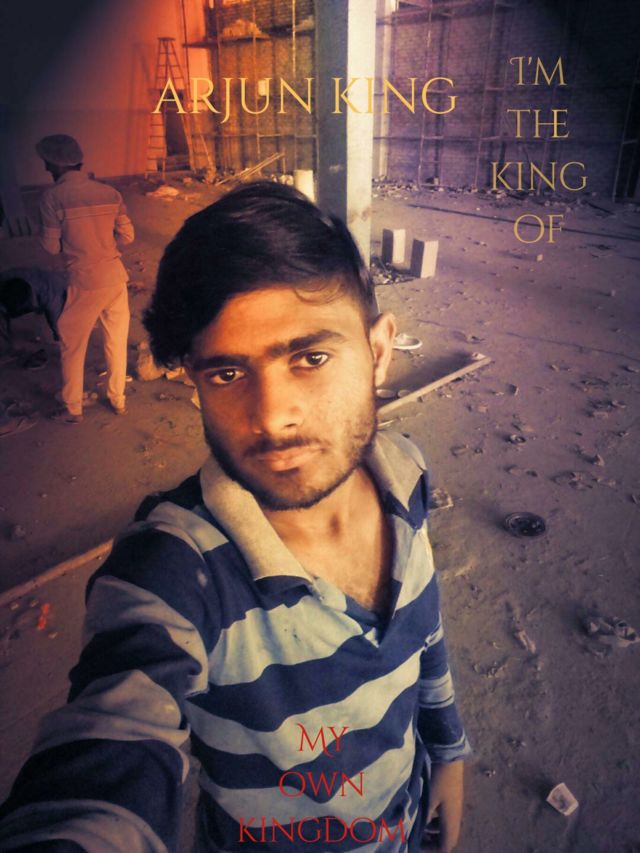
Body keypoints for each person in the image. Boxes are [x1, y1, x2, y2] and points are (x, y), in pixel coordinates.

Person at [0, 182, 471, 852]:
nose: (272, 416)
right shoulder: (173, 573)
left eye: (310, 358)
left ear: (378, 350)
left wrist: (447, 748)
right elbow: (108, 751)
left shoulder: (404, 469)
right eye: (226, 374)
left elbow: (425, 627)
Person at [35, 134, 134, 424]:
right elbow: (127, 236)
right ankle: (118, 399)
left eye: (46, 162)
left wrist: (77, 243)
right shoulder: (109, 193)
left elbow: (51, 247)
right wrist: (103, 242)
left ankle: (72, 408)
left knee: (72, 343)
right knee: (116, 340)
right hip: (115, 276)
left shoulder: (52, 198)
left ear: (56, 163)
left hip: (85, 279)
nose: (45, 168)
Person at [0, 267, 68, 347]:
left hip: (56, 290)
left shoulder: (53, 301)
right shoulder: (10, 276)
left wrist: (57, 334)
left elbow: (57, 327)